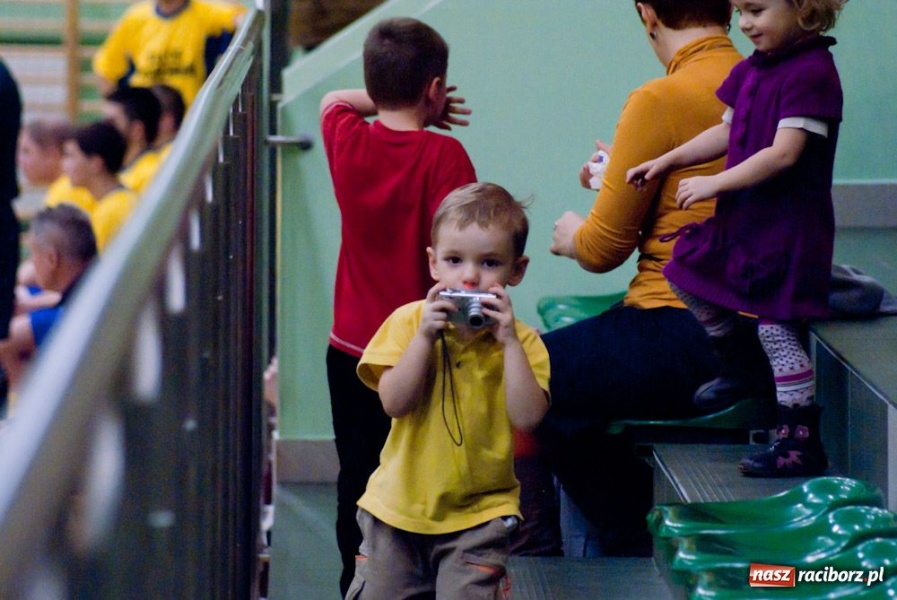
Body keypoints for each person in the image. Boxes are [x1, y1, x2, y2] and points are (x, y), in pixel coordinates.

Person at [541, 0, 764, 556]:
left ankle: (629, 535)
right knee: (568, 394)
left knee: (517, 371)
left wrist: (571, 234)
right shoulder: (758, 82)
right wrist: (625, 170)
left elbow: (601, 250)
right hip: (753, 333)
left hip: (684, 327)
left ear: (646, 13)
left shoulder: (658, 97)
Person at [626, 0, 846, 477]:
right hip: (746, 220)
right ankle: (740, 364)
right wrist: (668, 160)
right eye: (741, 11)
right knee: (685, 269)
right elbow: (726, 132)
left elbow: (784, 154)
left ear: (805, 10)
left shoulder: (812, 72)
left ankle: (800, 440)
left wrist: (714, 183)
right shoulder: (754, 70)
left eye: (757, 10)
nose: (745, 24)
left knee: (777, 328)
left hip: (788, 229)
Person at [319, 16, 477, 596]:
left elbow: (338, 99)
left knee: (357, 476)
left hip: (352, 350)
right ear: (435, 89)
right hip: (423, 350)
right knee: (425, 473)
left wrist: (391, 94)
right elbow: (467, 263)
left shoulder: (345, 137)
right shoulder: (447, 159)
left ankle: (355, 581)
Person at [347, 182, 550, 599]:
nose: (470, 276)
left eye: (490, 262)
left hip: (479, 517)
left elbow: (528, 418)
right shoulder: (407, 323)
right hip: (396, 511)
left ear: (517, 270)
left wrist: (509, 341)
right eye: (455, 260)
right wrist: (424, 338)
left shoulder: (524, 342)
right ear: (434, 264)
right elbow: (394, 403)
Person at [0, 204, 97, 403]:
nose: (31, 265)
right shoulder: (98, 280)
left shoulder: (70, 316)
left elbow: (6, 341)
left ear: (51, 259)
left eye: (32, 256)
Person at [92, 0, 247, 107]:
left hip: (190, 120)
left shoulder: (206, 13)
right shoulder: (135, 18)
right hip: (147, 122)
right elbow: (105, 70)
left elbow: (243, 20)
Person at [62, 121, 138, 252]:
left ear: (96, 164)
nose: (64, 165)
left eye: (71, 157)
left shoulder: (109, 213)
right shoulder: (123, 200)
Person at [16, 119, 97, 215]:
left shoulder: (64, 195)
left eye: (26, 151)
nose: (19, 160)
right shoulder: (74, 186)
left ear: (52, 155)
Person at [102, 86, 163, 196]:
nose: (103, 128)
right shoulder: (112, 172)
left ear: (137, 130)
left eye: (112, 122)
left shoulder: (152, 174)